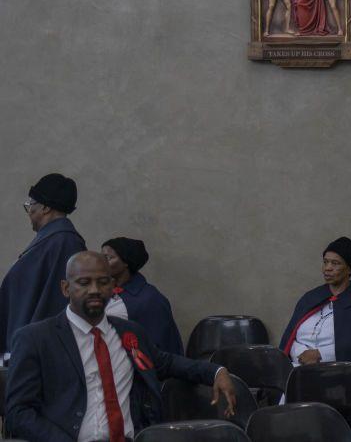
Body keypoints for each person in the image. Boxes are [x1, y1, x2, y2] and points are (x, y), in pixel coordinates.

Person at [4, 251, 237, 441]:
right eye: (84, 283)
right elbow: (18, 413)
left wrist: (216, 371)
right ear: (66, 288)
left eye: (102, 282)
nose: (94, 290)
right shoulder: (35, 338)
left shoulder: (129, 332)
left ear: (113, 286)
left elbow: (167, 362)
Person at [0, 173, 86, 363]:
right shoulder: (52, 240)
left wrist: (28, 347)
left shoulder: (65, 242)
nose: (29, 212)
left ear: (45, 207)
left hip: (35, 352)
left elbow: (56, 303)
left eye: (30, 206)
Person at [280, 237, 351, 379]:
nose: (327, 268)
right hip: (296, 368)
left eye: (335, 263)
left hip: (337, 376)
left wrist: (320, 355)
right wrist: (300, 353)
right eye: (325, 262)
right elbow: (290, 337)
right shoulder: (310, 298)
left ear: (349, 269)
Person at [101, 237, 185, 355]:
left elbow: (163, 347)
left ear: (126, 262)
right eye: (101, 258)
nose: (101, 263)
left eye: (108, 258)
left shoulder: (150, 299)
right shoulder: (103, 292)